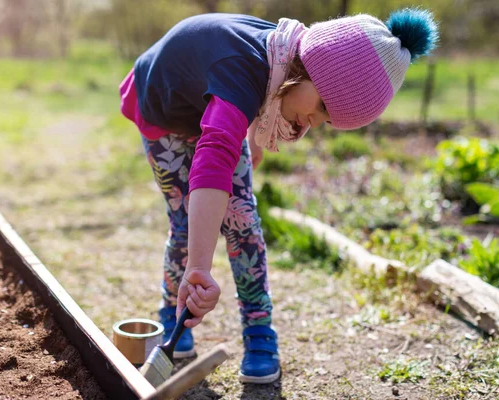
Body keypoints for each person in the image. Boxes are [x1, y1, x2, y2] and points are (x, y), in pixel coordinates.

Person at [119, 9, 438, 384]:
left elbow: (262, 90)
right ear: (309, 69)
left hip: (213, 102)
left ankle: (258, 333)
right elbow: (215, 159)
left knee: (243, 222)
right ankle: (173, 316)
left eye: (328, 121)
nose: (317, 122)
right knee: (187, 223)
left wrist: (254, 128)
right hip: (163, 110)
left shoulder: (283, 58)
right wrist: (200, 268)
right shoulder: (245, 68)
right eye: (322, 107)